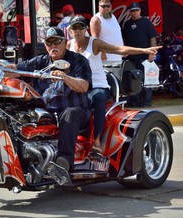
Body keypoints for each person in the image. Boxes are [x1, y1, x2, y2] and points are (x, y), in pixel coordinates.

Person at [67, 15, 160, 153]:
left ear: (86, 29)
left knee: (97, 97)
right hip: (79, 86)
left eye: (81, 27)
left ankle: (97, 141)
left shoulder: (94, 43)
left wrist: (144, 50)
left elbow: (118, 49)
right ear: (70, 30)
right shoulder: (69, 45)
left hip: (99, 86)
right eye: (75, 28)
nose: (78, 31)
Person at [8, 27, 92, 171]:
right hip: (47, 112)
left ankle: (64, 162)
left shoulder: (78, 60)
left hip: (77, 112)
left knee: (70, 113)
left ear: (65, 42)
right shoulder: (40, 62)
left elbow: (84, 86)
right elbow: (16, 69)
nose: (53, 46)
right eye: (49, 43)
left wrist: (65, 77)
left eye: (57, 41)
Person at [122, 2, 158, 107]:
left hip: (144, 57)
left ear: (140, 11)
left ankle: (146, 102)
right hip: (131, 57)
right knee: (133, 80)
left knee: (147, 80)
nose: (135, 12)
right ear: (129, 12)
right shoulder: (127, 24)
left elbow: (152, 37)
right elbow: (124, 39)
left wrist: (152, 52)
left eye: (137, 10)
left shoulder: (146, 22)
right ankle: (134, 101)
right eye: (133, 10)